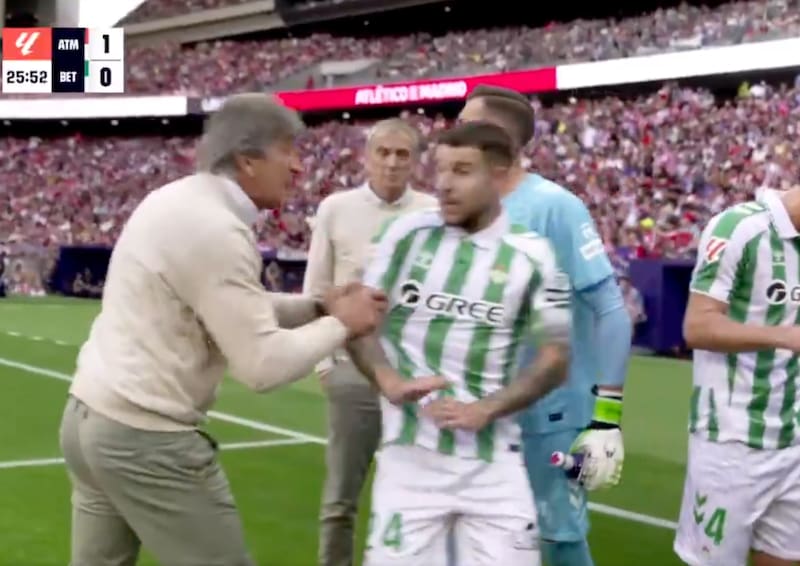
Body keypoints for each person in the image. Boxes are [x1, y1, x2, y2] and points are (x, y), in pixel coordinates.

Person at [59, 93, 384, 566]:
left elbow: (230, 307)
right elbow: (262, 366)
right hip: (145, 434)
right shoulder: (216, 228)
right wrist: (342, 323)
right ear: (248, 160)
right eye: (288, 151)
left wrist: (316, 306)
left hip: (90, 414)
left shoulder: (176, 199)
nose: (298, 168)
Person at [348, 121, 572, 566]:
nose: (445, 185)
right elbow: (358, 323)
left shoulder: (535, 256)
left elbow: (556, 357)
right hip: (410, 461)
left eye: (463, 171)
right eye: (441, 170)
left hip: (494, 465)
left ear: (501, 174)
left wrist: (486, 409)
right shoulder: (406, 236)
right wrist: (387, 379)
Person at [459, 85, 631, 566]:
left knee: (559, 539)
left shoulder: (555, 207)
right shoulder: (465, 208)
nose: (454, 128)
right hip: (485, 411)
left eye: (465, 119)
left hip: (552, 417)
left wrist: (606, 419)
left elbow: (612, 311)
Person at [303, 118, 437, 566]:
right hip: (352, 366)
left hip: (414, 370)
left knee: (420, 496)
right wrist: (325, 365)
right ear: (367, 156)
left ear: (416, 161)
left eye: (403, 154)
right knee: (342, 495)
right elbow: (316, 290)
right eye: (384, 152)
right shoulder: (336, 209)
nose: (392, 163)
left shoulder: (434, 213)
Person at [676, 187, 800, 566]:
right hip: (730, 442)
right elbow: (698, 326)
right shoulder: (740, 228)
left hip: (794, 441)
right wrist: (783, 336)